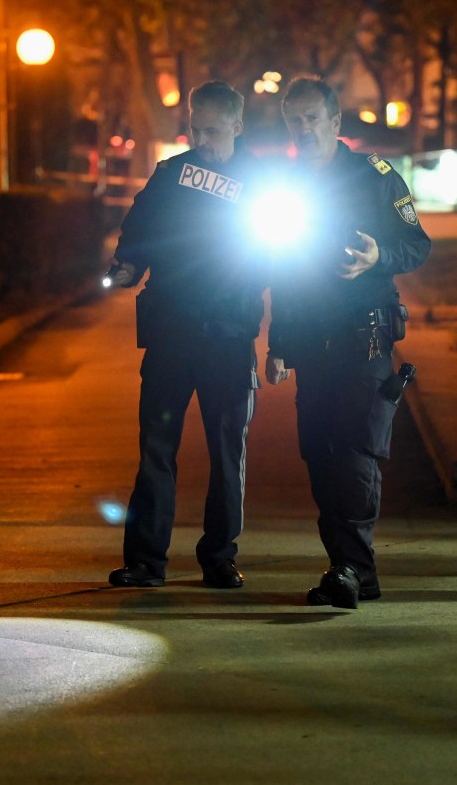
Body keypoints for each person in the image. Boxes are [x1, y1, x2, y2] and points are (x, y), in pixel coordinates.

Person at [265, 77, 431, 609]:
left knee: (356, 451)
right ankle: (350, 568)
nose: (305, 128)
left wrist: (377, 255)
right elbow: (279, 271)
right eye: (296, 120)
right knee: (319, 451)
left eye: (314, 118)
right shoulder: (283, 186)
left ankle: (351, 569)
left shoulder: (374, 177)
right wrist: (278, 343)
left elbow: (416, 244)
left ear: (336, 122)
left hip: (365, 336)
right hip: (312, 341)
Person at [107, 80, 265, 590]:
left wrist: (282, 337)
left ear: (238, 126)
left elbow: (285, 260)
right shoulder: (171, 174)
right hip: (172, 334)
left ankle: (219, 557)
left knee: (226, 453)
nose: (201, 138)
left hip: (229, 335)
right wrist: (128, 266)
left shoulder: (262, 183)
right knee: (156, 447)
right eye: (195, 128)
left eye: (212, 130)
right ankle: (146, 561)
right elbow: (138, 231)